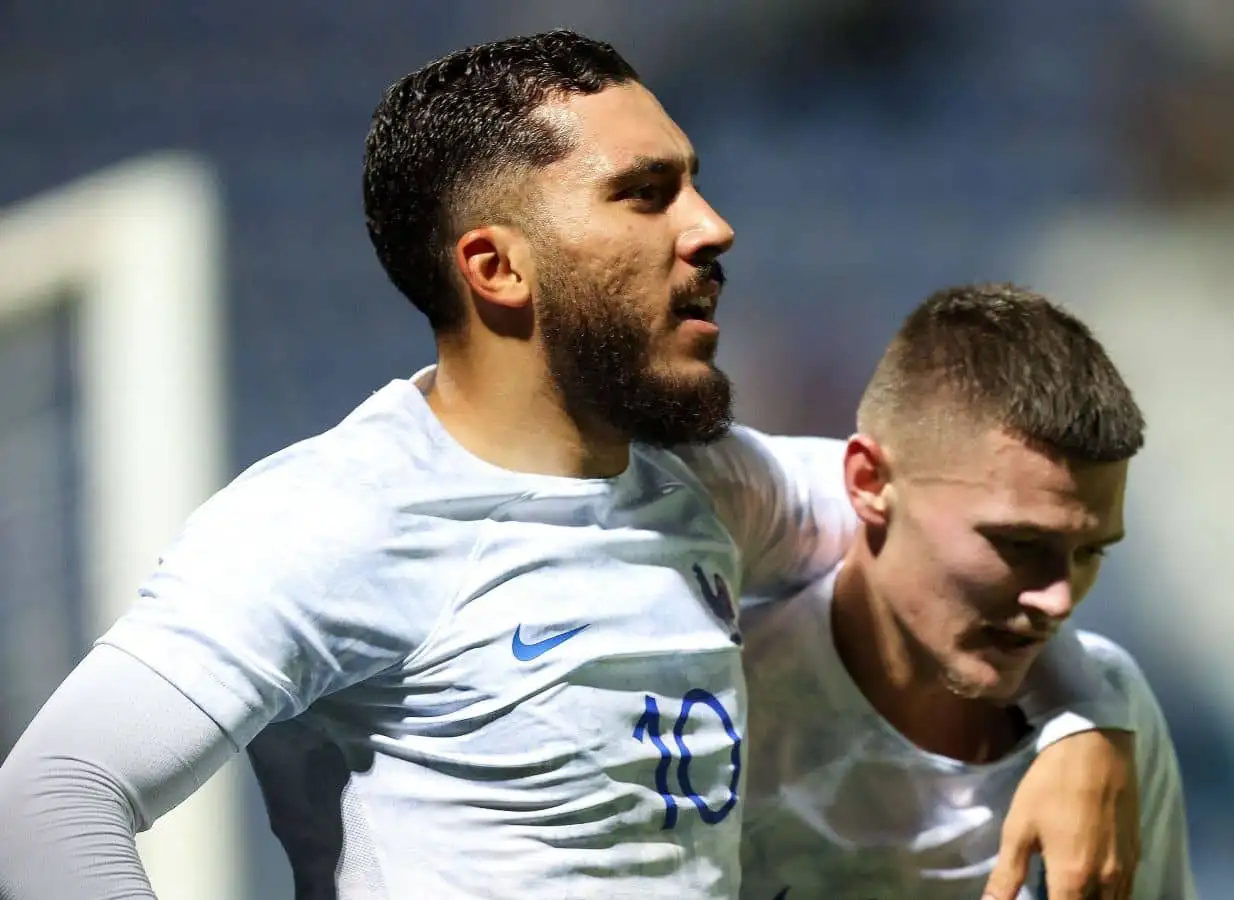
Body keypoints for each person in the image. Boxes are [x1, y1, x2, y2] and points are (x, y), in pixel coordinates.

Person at [0, 34, 1135, 900]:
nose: (714, 226)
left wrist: (1086, 728)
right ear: (497, 268)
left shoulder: (707, 480)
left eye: (692, 182)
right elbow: (50, 801)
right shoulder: (334, 517)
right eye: (645, 194)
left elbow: (957, 540)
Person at [738, 285, 1197, 900]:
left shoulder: (1114, 709)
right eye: (1018, 544)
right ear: (869, 483)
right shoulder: (717, 694)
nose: (1058, 601)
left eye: (1090, 552)